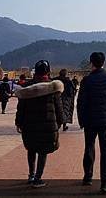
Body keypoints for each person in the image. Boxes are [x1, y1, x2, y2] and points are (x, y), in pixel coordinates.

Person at [77, 52, 106, 194]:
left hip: (90, 120)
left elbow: (80, 102)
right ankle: (105, 183)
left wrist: (81, 120)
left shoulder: (86, 80)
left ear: (91, 63)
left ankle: (88, 176)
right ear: (103, 62)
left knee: (89, 147)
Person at [15, 60, 64, 188]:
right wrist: (60, 122)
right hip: (47, 125)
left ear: (35, 71)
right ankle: (38, 178)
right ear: (48, 71)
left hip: (29, 124)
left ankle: (31, 175)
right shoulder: (53, 87)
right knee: (43, 151)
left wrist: (18, 122)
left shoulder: (26, 87)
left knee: (31, 149)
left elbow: (21, 108)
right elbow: (58, 107)